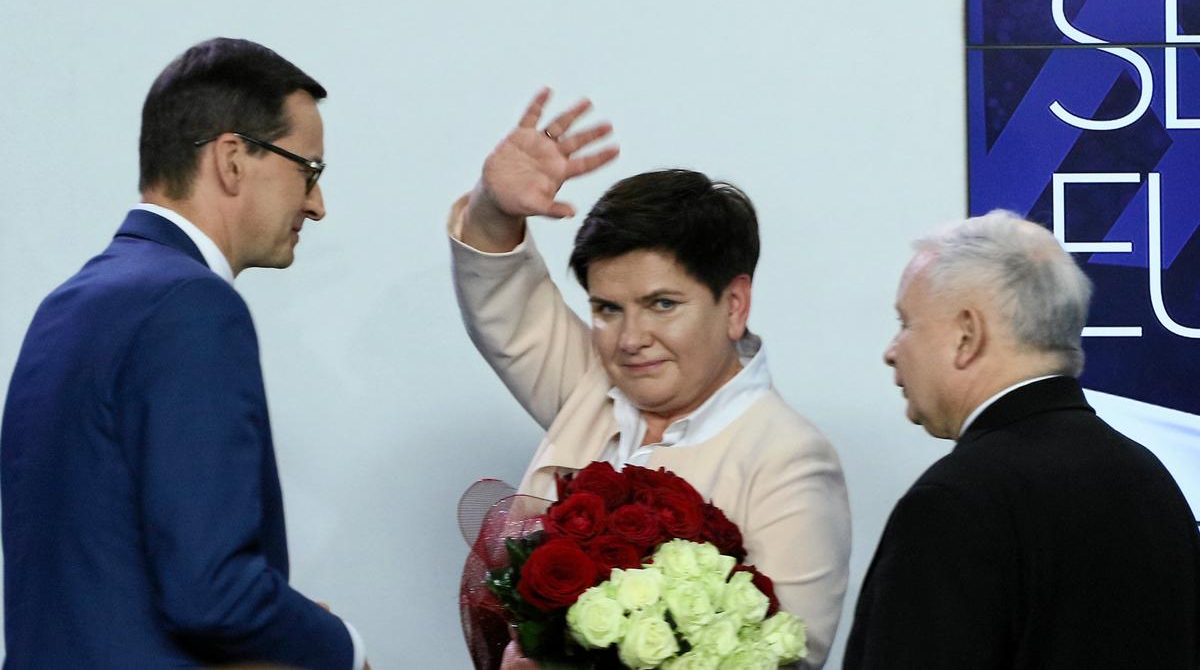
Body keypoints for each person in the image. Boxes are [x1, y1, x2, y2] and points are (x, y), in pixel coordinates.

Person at [451, 90, 851, 668]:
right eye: (607, 308)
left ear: (734, 304)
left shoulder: (790, 459)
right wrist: (493, 207)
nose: (630, 337)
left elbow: (783, 656)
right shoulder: (595, 387)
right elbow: (504, 307)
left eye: (662, 304)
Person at [1, 38, 367, 669]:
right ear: (231, 159)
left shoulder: (70, 304)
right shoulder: (191, 307)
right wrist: (341, 649)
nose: (316, 203)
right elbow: (210, 592)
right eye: (309, 169)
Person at [843, 211, 1200, 669]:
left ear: (967, 335)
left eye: (906, 323)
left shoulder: (954, 504)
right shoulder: (1152, 482)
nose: (891, 351)